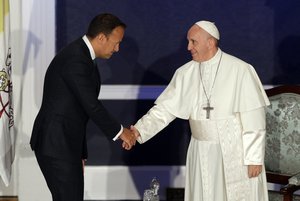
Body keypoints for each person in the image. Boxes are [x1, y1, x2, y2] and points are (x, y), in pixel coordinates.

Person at [130, 20, 270, 201]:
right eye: (188, 41)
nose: (188, 47)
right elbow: (164, 110)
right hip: (199, 148)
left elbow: (254, 117)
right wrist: (139, 131)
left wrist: (254, 158)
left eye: (193, 41)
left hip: (234, 150)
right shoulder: (185, 73)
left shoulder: (240, 70)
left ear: (210, 42)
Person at [30, 13, 136, 201]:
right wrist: (122, 132)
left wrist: (80, 153)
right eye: (116, 42)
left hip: (65, 145)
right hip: (56, 145)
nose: (118, 49)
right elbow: (91, 106)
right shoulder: (75, 59)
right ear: (102, 37)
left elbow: (77, 111)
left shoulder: (83, 56)